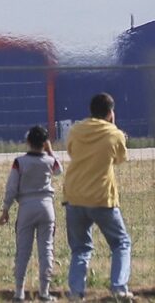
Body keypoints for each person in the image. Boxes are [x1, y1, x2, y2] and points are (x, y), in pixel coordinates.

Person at [63, 93, 133, 301]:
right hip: (101, 197)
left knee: (80, 248)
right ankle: (119, 288)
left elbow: (72, 151)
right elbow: (120, 159)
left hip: (74, 195)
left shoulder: (76, 130)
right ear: (111, 112)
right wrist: (115, 128)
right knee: (121, 243)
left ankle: (76, 292)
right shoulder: (114, 134)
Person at [0, 126, 62, 302]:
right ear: (45, 142)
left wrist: (5, 209)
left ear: (28, 142)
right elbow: (59, 170)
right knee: (46, 249)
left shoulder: (20, 162)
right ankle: (44, 291)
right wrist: (50, 150)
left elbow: (11, 187)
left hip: (26, 206)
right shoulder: (49, 161)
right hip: (47, 207)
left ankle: (19, 292)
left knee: (23, 250)